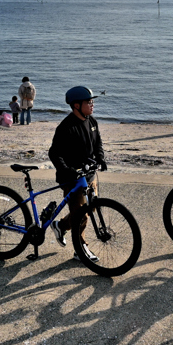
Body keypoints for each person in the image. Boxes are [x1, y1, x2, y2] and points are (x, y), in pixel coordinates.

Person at [47, 86, 107, 262]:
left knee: (90, 209)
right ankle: (80, 250)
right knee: (81, 216)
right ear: (76, 106)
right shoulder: (66, 127)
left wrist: (101, 158)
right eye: (88, 102)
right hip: (72, 179)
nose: (92, 104)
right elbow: (54, 153)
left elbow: (98, 144)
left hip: (89, 175)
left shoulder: (92, 121)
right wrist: (66, 170)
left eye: (92, 101)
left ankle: (60, 225)